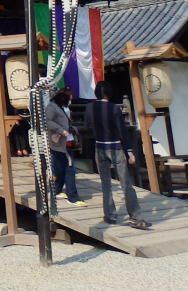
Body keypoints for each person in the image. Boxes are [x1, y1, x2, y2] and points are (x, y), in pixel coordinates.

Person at [86, 81, 149, 229]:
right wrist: (129, 151)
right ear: (109, 93)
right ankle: (135, 217)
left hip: (99, 147)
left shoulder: (89, 107)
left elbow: (87, 126)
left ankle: (110, 215)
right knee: (125, 183)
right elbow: (122, 131)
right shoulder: (114, 108)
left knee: (105, 183)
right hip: (115, 146)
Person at [45, 89, 85, 208]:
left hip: (64, 142)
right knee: (70, 169)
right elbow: (47, 121)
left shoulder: (59, 107)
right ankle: (72, 197)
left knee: (61, 169)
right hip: (59, 142)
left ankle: (57, 190)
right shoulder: (51, 107)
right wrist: (61, 130)